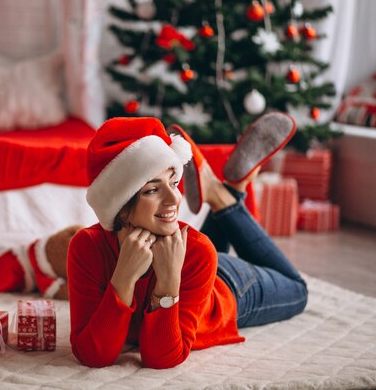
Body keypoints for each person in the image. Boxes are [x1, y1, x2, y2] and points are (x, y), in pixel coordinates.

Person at [67, 113, 308, 369]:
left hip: (229, 286)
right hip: (190, 262)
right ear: (120, 205)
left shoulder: (197, 251)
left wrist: (169, 279)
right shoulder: (86, 247)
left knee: (298, 290)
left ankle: (222, 195)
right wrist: (123, 278)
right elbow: (93, 355)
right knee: (199, 247)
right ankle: (227, 190)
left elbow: (162, 358)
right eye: (152, 189)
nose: (174, 199)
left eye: (173, 182)